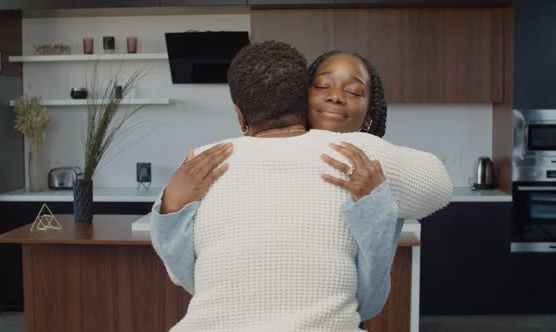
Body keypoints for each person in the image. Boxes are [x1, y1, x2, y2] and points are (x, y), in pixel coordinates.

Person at [151, 41, 452, 331]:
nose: (335, 97)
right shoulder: (366, 156)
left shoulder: (204, 161)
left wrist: (169, 208)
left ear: (241, 116)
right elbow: (440, 185)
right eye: (323, 86)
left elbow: (190, 279)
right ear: (302, 99)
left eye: (355, 91)